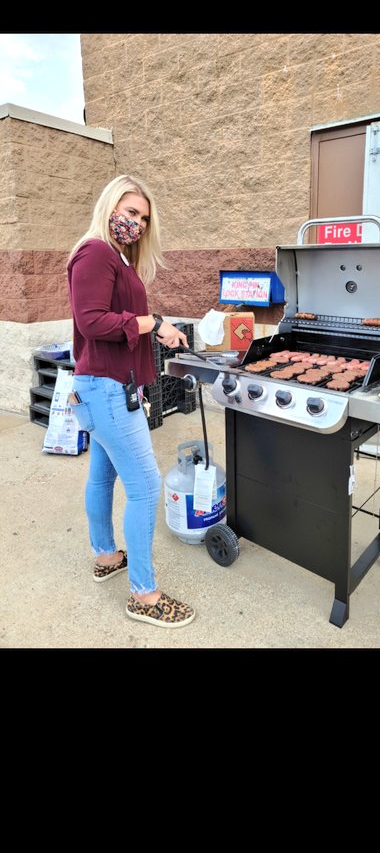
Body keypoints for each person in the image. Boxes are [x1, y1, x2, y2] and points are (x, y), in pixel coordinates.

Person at [67, 174, 196, 628]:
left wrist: (160, 328)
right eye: (129, 213)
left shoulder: (117, 258)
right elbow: (92, 321)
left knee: (102, 478)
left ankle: (105, 556)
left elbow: (118, 316)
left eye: (142, 217)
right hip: (106, 388)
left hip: (103, 386)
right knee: (145, 487)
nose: (136, 223)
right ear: (109, 208)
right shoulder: (95, 252)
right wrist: (153, 323)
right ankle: (144, 594)